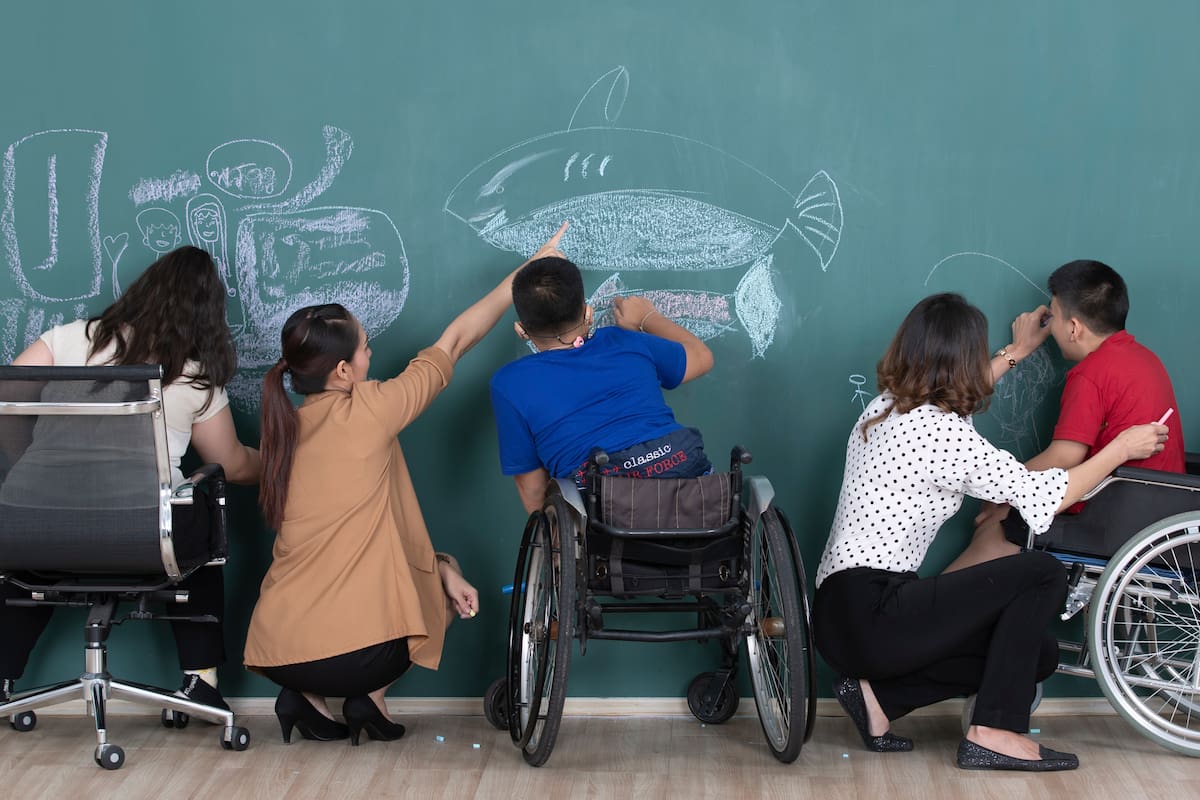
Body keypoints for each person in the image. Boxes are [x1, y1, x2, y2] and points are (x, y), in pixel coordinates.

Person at [243, 223, 569, 746]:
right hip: (358, 655)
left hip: (280, 650)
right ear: (345, 371)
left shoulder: (283, 433)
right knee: (447, 574)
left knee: (428, 567)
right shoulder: (373, 409)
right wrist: (524, 276)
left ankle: (309, 698)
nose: (374, 358)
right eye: (368, 349)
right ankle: (368, 694)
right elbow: (457, 340)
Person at [813, 293, 1167, 771]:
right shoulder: (944, 434)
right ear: (963, 358)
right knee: (1042, 571)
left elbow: (954, 398)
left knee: (1036, 654)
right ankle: (995, 732)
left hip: (840, 614)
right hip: (876, 614)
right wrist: (1121, 448)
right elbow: (1048, 494)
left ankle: (879, 699)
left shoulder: (885, 408)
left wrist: (1015, 352)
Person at [0, 245, 261, 713]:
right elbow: (235, 465)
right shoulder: (196, 377)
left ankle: (1, 675)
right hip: (141, 535)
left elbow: (6, 397)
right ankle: (200, 681)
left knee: (25, 573)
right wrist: (288, 462)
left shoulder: (68, 338)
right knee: (197, 518)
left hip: (28, 527)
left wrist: (26, 466)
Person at [945, 259, 1185, 572]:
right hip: (1162, 514)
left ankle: (928, 610)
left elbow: (1065, 456)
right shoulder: (1146, 359)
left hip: (1116, 521)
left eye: (1053, 315)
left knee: (1000, 526)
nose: (1050, 326)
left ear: (1073, 328)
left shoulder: (1091, 373)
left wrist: (999, 497)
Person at [489, 255, 715, 513]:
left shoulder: (509, 384)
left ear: (521, 330)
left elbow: (531, 487)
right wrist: (646, 317)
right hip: (681, 467)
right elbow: (702, 357)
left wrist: (552, 544)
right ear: (588, 313)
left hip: (603, 496)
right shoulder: (625, 341)